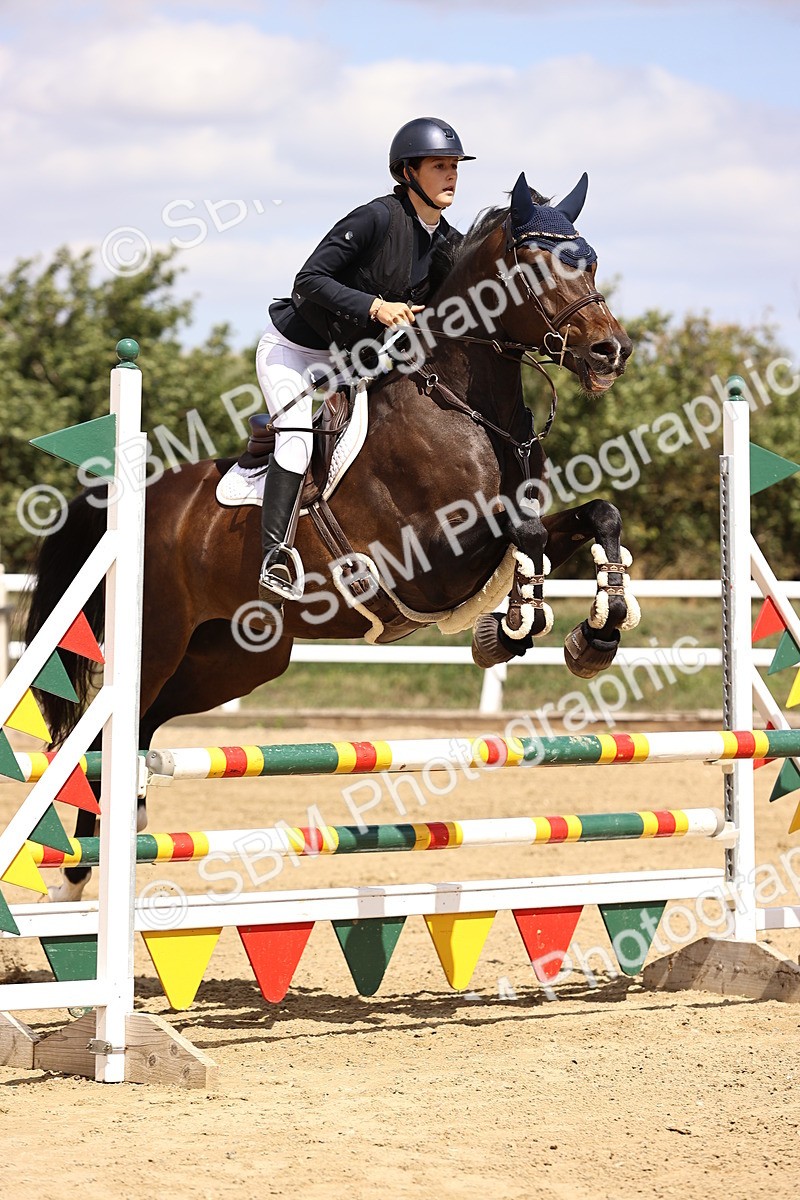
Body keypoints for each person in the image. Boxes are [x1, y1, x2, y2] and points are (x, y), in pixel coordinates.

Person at [255, 116, 475, 608]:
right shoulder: (374, 218)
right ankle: (274, 555)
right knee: (294, 441)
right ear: (407, 173)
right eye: (440, 166)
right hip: (296, 350)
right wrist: (374, 306)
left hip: (356, 360)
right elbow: (308, 280)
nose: (451, 176)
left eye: (455, 167)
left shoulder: (447, 242)